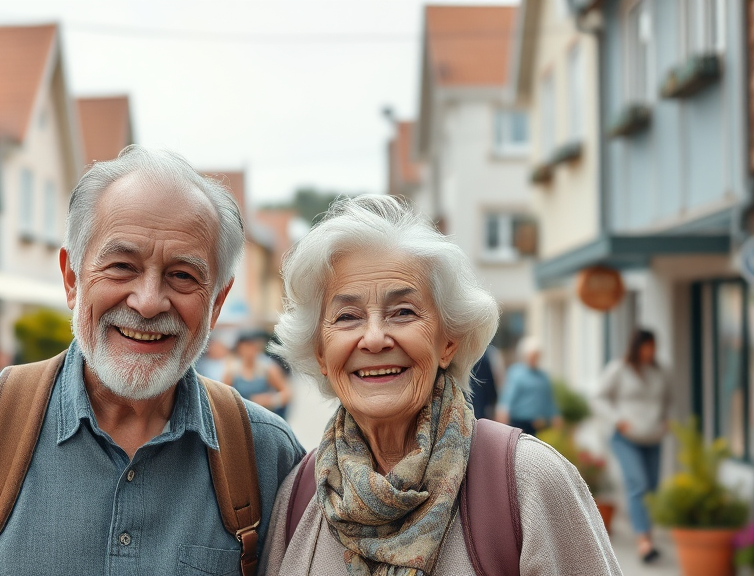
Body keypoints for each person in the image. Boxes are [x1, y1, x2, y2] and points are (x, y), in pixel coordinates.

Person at [0, 146, 305, 575]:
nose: (148, 302)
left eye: (182, 275)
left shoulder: (266, 457)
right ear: (72, 278)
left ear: (217, 302)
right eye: (122, 266)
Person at [260, 195, 620, 575]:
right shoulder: (299, 495)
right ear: (320, 352)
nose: (375, 338)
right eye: (347, 316)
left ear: (448, 342)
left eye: (403, 312)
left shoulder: (529, 482)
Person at [594, 328, 669, 563]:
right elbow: (598, 397)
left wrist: (664, 422)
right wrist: (617, 420)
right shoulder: (619, 369)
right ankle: (644, 542)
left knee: (652, 488)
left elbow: (667, 400)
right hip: (626, 438)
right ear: (637, 346)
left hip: (653, 437)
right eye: (648, 346)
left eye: (654, 346)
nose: (651, 351)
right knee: (638, 483)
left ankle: (647, 533)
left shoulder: (660, 371)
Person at [497, 337, 561, 436]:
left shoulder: (543, 377)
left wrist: (554, 415)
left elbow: (548, 399)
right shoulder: (516, 373)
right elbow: (508, 396)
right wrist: (503, 412)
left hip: (535, 423)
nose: (534, 359)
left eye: (536, 356)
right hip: (517, 421)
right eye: (532, 355)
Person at [222, 330, 292, 419]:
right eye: (247, 346)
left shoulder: (267, 367)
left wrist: (271, 400)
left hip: (264, 415)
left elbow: (287, 393)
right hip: (242, 417)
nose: (250, 350)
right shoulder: (232, 369)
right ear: (240, 347)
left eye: (252, 346)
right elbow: (223, 396)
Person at [468, 344, 502, 420]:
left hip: (475, 397)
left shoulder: (486, 353)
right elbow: (490, 381)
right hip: (479, 399)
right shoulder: (486, 353)